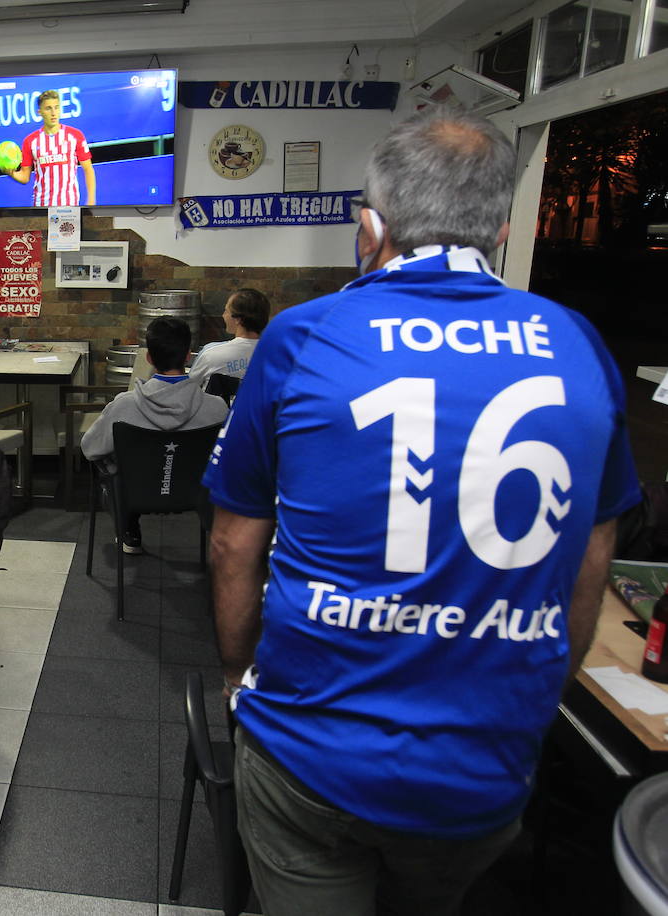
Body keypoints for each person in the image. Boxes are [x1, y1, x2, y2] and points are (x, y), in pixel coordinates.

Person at [204, 108, 640, 916]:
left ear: (370, 227)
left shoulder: (304, 338)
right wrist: (538, 693)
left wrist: (237, 675)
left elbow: (235, 543)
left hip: (311, 748)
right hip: (482, 763)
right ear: (501, 229)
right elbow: (591, 557)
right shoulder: (577, 344)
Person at [82, 316, 227, 554]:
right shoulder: (217, 408)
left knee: (110, 461)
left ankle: (128, 528)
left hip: (135, 492)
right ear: (189, 356)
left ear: (149, 358)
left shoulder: (123, 406)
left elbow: (89, 449)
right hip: (193, 494)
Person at [4, 89, 96, 207]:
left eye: (56, 107)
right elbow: (25, 177)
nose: (53, 113)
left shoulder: (75, 136)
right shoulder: (30, 141)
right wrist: (10, 172)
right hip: (42, 207)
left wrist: (91, 200)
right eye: (48, 108)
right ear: (40, 112)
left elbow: (88, 169)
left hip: (69, 206)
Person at [188, 287, 269, 387]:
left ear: (238, 319)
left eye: (226, 311)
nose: (223, 315)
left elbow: (188, 389)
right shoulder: (278, 356)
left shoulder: (211, 354)